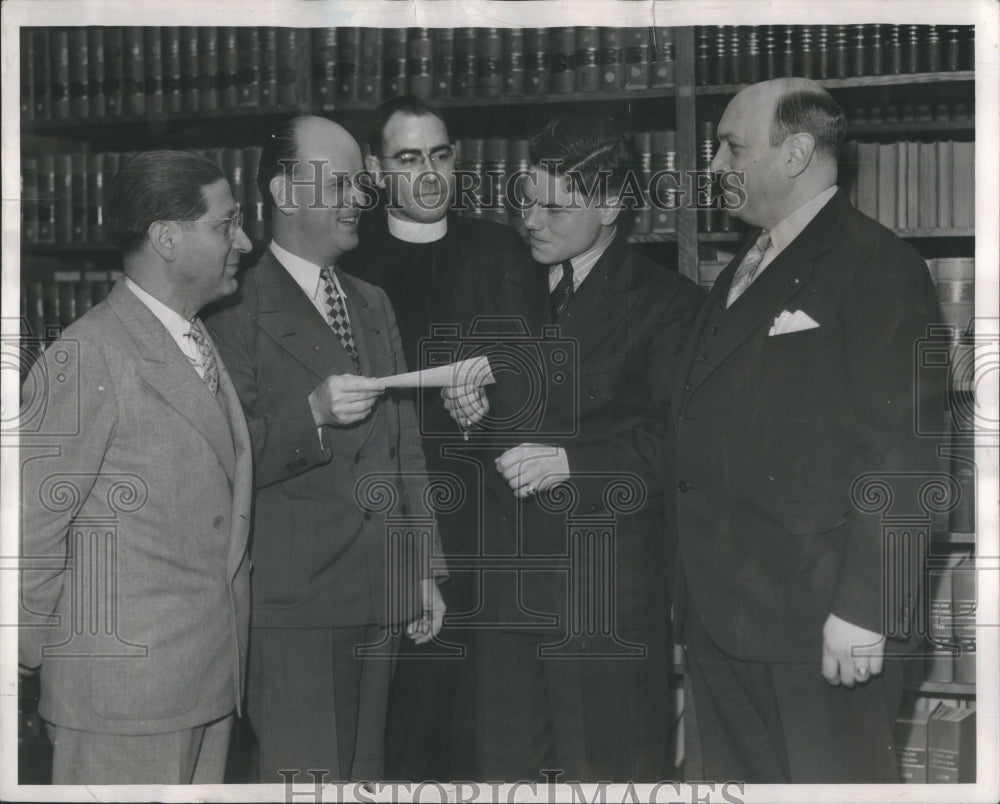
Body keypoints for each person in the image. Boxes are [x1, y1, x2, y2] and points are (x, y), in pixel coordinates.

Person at [673, 77, 944, 782]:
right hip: (724, 618)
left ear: (793, 154)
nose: (714, 168)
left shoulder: (879, 265)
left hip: (822, 627)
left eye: (731, 148)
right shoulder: (743, 264)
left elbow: (906, 452)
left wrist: (867, 611)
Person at [443, 112, 703, 781]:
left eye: (556, 206)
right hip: (504, 594)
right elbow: (472, 429)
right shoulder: (491, 282)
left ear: (612, 203)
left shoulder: (670, 303)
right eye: (526, 198)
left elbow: (679, 443)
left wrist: (572, 465)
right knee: (505, 780)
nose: (533, 219)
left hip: (605, 596)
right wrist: (464, 412)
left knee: (605, 779)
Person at [205, 115, 446, 783]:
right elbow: (221, 458)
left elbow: (405, 448)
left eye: (360, 185)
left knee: (366, 780)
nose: (359, 200)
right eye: (339, 184)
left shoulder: (372, 302)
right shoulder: (231, 307)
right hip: (294, 612)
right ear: (285, 193)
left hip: (382, 596)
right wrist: (308, 416)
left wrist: (422, 566)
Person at [18, 150, 253, 784]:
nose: (246, 239)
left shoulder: (195, 337)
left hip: (203, 687)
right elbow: (28, 529)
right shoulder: (87, 355)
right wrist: (28, 664)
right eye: (226, 224)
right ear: (167, 239)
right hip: (121, 707)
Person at [339, 95, 535, 781]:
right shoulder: (349, 258)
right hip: (385, 516)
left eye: (442, 155)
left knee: (484, 731)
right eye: (408, 158)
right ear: (374, 169)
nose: (429, 174)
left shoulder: (503, 249)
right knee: (399, 730)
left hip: (488, 516)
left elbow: (543, 373)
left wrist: (496, 386)